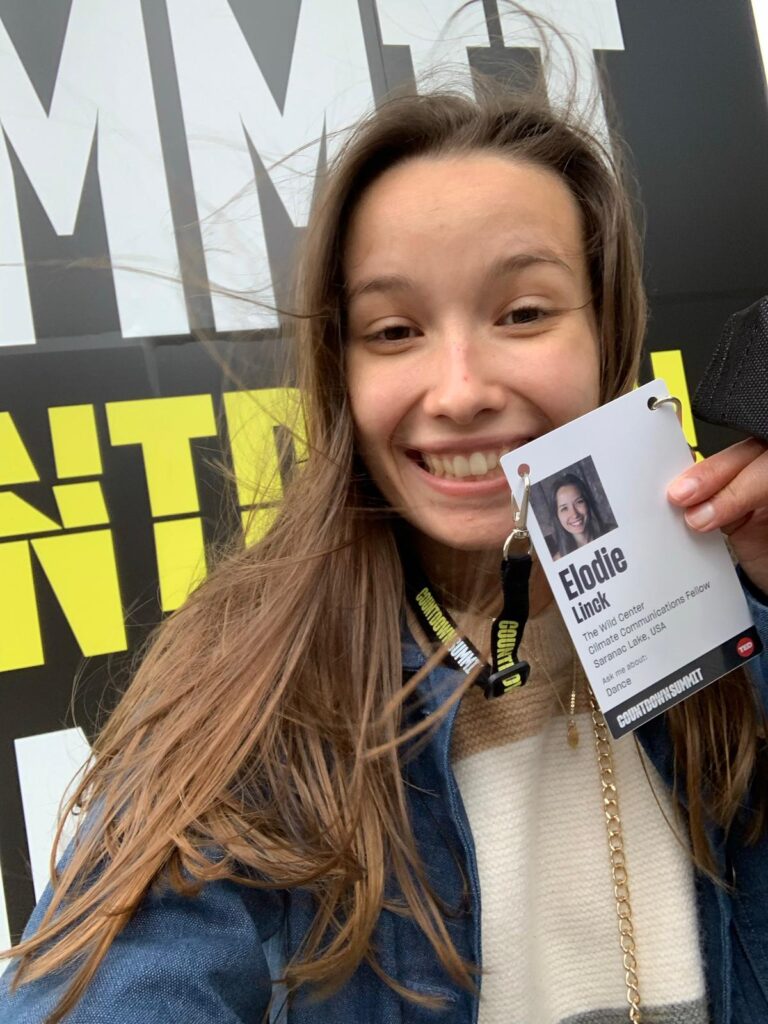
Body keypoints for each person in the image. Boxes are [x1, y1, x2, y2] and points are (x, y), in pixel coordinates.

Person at [2, 77, 768, 1024]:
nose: (458, 392)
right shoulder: (256, 692)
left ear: (608, 334)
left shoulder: (741, 623)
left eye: (523, 313)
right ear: (342, 370)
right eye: (394, 331)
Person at [548, 472, 607, 557]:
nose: (574, 514)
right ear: (556, 516)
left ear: (587, 502)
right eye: (564, 508)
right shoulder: (558, 561)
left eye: (579, 502)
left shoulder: (613, 531)